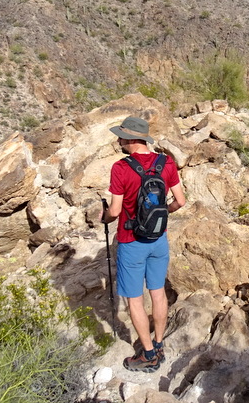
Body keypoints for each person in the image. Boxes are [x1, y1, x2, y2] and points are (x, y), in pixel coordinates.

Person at [102, 115, 186, 372]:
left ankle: (148, 355)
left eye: (121, 136)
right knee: (158, 292)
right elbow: (180, 201)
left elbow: (115, 211)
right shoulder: (166, 162)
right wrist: (160, 216)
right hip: (159, 239)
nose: (118, 140)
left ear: (130, 139)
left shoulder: (121, 168)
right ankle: (159, 344)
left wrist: (103, 216)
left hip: (131, 241)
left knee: (134, 299)